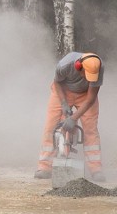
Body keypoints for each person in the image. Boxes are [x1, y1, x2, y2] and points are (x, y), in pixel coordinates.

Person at [34, 52, 104, 181]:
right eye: (87, 75)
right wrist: (64, 103)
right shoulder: (65, 65)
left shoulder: (98, 67)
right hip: (63, 91)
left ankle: (96, 169)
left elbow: (91, 98)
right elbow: (57, 82)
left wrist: (73, 118)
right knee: (51, 126)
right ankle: (45, 167)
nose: (89, 79)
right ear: (78, 66)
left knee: (90, 129)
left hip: (85, 95)